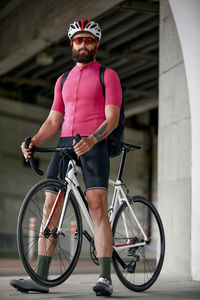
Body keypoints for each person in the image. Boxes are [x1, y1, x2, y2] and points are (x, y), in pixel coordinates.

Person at [10, 19, 122, 297]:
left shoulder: (107, 75)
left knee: (97, 207)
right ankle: (42, 278)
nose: (82, 44)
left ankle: (105, 278)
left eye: (88, 40)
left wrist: (93, 139)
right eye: (77, 40)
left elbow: (112, 118)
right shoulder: (62, 80)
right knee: (50, 207)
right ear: (71, 44)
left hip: (93, 143)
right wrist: (34, 141)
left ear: (97, 43)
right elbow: (53, 120)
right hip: (64, 145)